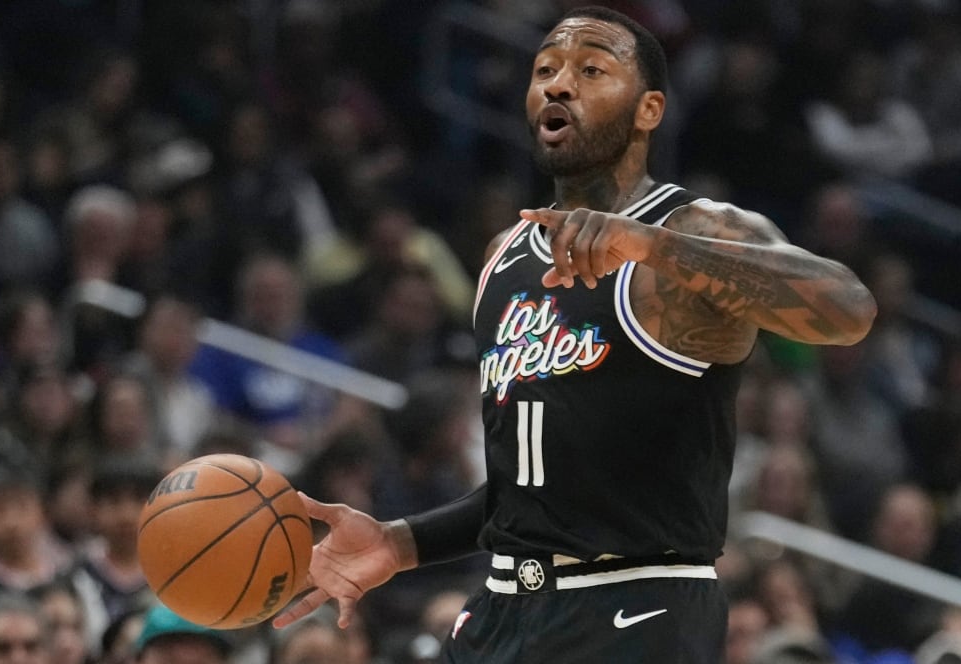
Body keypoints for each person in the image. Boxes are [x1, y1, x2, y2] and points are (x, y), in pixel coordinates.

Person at [272, 7, 876, 663]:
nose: (559, 84)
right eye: (545, 70)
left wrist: (654, 247)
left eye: (591, 70)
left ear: (648, 109)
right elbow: (531, 488)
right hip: (505, 606)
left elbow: (848, 311)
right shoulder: (502, 257)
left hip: (639, 603)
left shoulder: (694, 228)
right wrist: (400, 543)